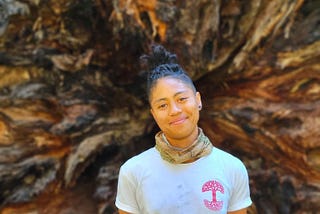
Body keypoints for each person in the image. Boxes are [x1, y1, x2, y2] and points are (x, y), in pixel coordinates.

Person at [115, 44, 252, 214]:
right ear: (154, 114)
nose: (174, 110)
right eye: (163, 105)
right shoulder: (133, 171)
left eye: (181, 99)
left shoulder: (232, 168)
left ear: (198, 100)